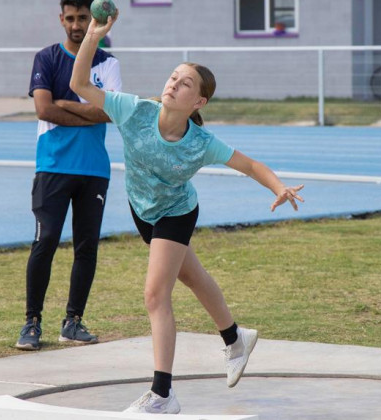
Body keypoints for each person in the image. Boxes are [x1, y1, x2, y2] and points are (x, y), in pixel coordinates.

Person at [70, 12, 304, 414]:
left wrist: (278, 186)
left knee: (155, 294)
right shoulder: (134, 110)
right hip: (143, 210)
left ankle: (162, 394)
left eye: (185, 83)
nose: (174, 84)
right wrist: (93, 35)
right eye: (173, 77)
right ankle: (235, 339)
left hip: (177, 212)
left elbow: (250, 166)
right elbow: (77, 85)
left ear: (199, 101)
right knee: (193, 276)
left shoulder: (202, 143)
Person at [15, 0, 122, 351]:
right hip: (53, 166)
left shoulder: (108, 62)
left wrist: (66, 104)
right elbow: (43, 108)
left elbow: (109, 112)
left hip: (93, 170)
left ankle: (73, 322)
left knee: (86, 247)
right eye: (72, 18)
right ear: (61, 19)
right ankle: (32, 322)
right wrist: (83, 111)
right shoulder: (46, 58)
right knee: (44, 244)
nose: (77, 25)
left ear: (95, 20)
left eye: (84, 18)